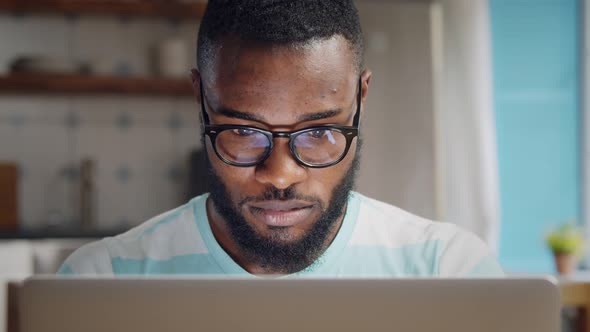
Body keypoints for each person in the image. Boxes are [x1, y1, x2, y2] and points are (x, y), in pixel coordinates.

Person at [58, 0, 503, 277]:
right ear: (201, 99)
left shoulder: (447, 269)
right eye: (244, 132)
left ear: (360, 101)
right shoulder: (104, 278)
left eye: (321, 132)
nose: (281, 176)